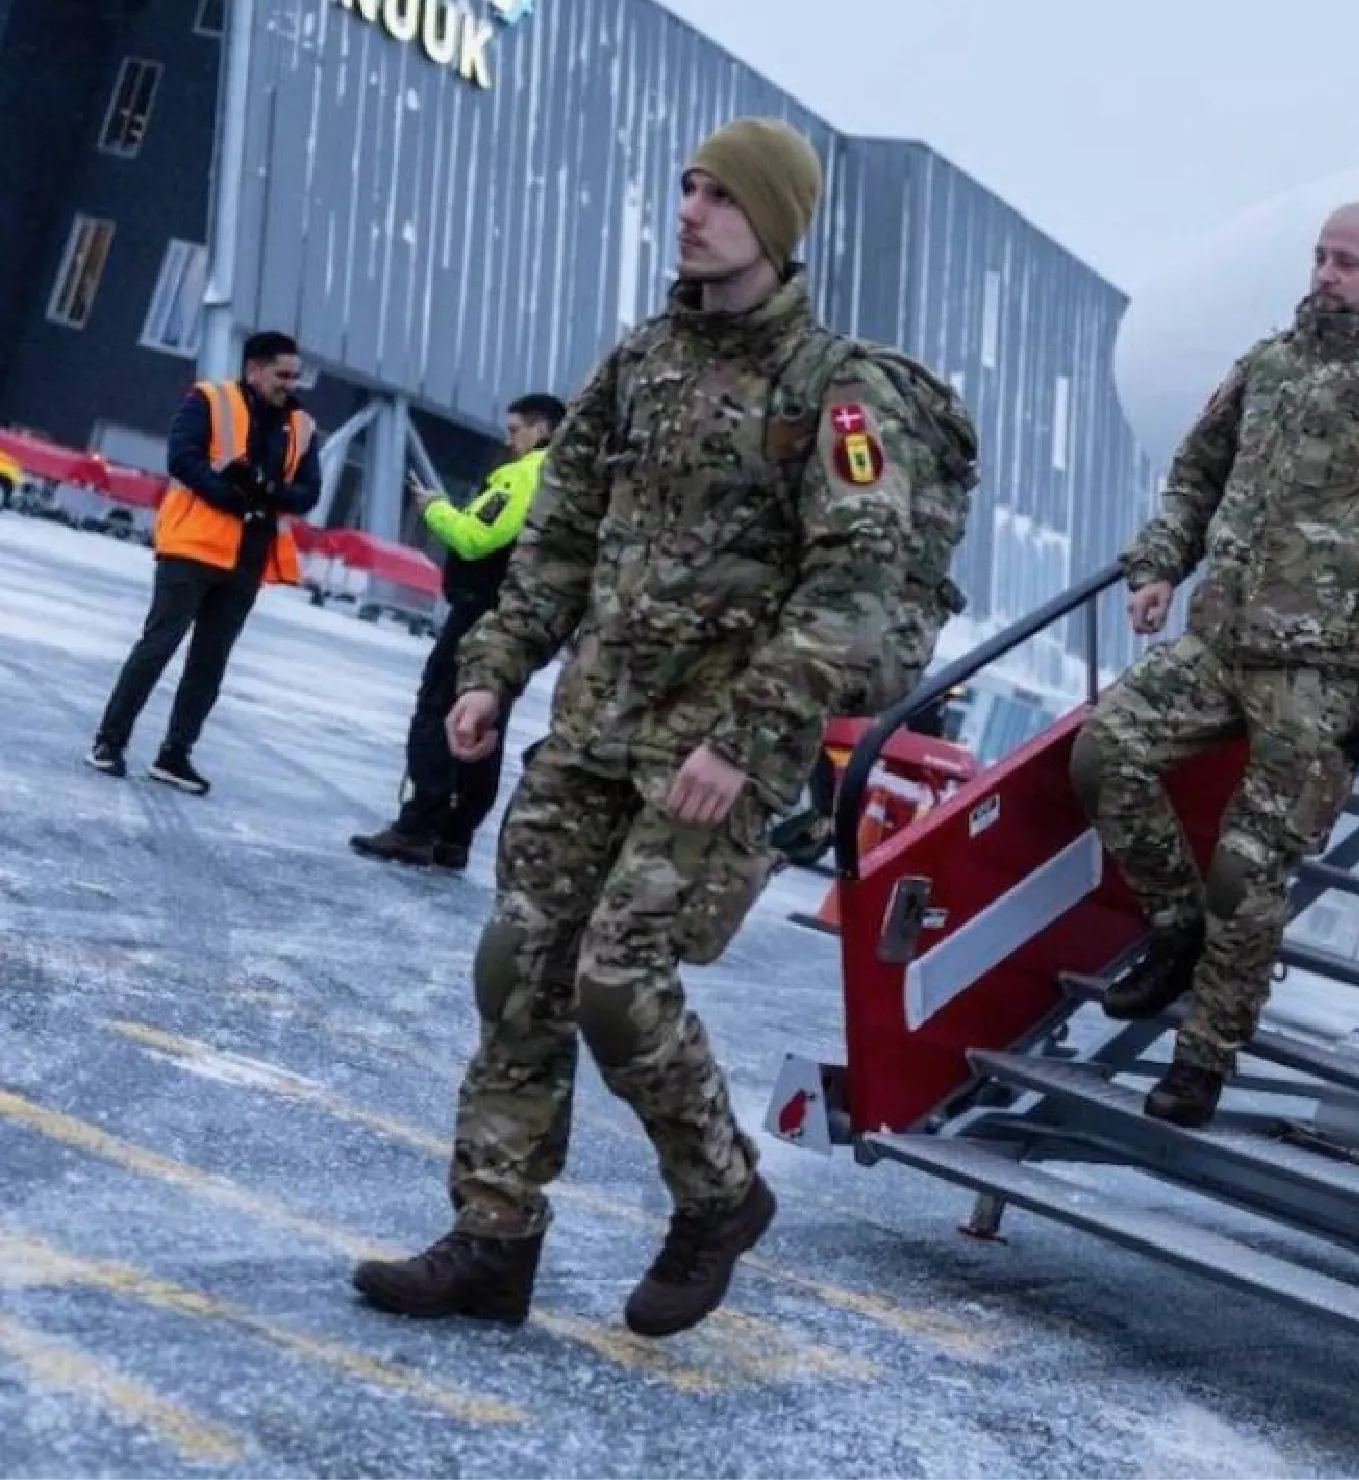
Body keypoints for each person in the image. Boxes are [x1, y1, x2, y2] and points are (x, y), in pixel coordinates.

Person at [350, 116, 970, 1338]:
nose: (690, 210)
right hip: (592, 726)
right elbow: (562, 535)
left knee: (620, 986)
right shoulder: (640, 361)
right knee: (516, 969)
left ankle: (720, 1193)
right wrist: (496, 666)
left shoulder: (832, 391)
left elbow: (852, 591)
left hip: (716, 751)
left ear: (776, 225)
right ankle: (492, 1240)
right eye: (686, 187)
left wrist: (742, 739)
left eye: (721, 196)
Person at [1075, 201, 1359, 1128]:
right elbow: (1196, 472)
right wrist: (1161, 564)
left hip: (1323, 676)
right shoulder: (1268, 367)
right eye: (1320, 257)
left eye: (1347, 262)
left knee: (1247, 866)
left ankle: (1204, 1055)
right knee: (1104, 751)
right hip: (1220, 641)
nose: (1325, 274)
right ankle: (1174, 923)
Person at [89, 332, 321, 792]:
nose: (289, 385)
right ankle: (109, 742)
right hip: (192, 547)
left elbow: (309, 492)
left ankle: (175, 754)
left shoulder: (302, 426)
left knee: (210, 662)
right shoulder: (210, 399)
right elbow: (183, 459)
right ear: (253, 368)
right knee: (158, 646)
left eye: (295, 377)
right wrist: (236, 497)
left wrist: (267, 494)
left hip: (248, 558)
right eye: (282, 375)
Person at [348, 392, 569, 872]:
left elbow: (475, 538)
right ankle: (455, 834)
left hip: (482, 614)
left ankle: (419, 827)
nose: (508, 441)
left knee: (441, 713)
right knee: (485, 721)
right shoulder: (570, 478)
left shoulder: (528, 473)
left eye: (515, 430)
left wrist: (433, 509)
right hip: (517, 618)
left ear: (543, 429)